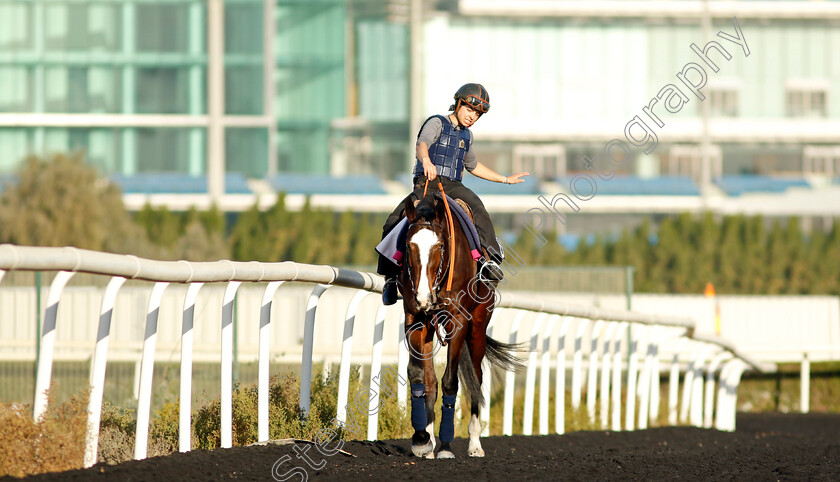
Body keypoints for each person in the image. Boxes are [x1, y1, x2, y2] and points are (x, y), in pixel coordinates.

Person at [378, 83, 529, 305]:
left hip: (453, 185)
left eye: (477, 114)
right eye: (469, 109)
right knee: (394, 220)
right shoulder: (436, 122)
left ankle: (490, 261)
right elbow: (422, 144)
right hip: (427, 183)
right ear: (458, 103)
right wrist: (426, 160)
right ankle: (390, 277)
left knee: (477, 206)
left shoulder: (467, 136)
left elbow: (473, 166)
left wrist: (505, 179)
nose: (473, 117)